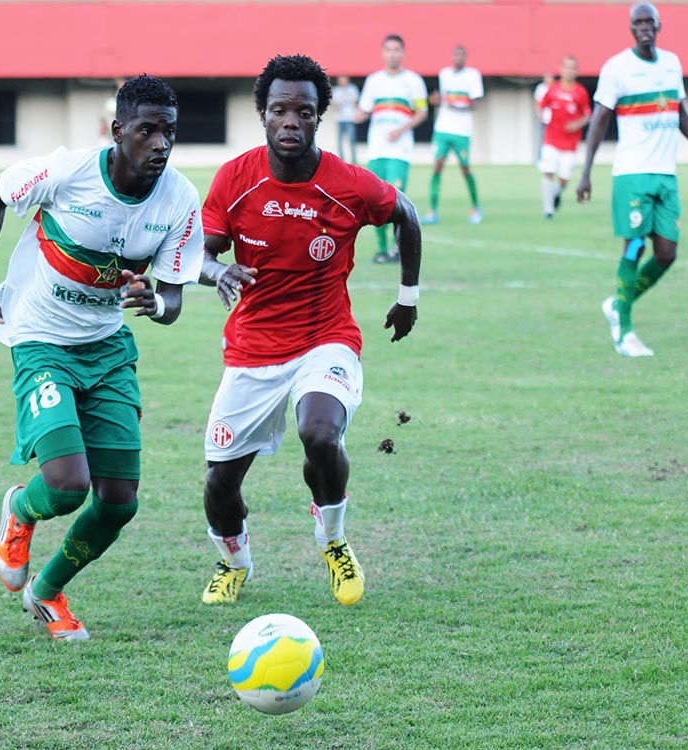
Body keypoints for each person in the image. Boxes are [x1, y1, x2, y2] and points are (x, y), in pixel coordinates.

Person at [0, 75, 204, 640]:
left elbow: (172, 299)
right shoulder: (70, 171)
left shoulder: (180, 199)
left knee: (119, 502)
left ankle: (46, 592)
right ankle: (21, 509)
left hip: (109, 350)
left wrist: (157, 303)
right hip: (41, 339)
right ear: (118, 132)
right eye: (147, 131)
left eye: (170, 132)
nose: (161, 144)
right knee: (68, 486)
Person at [195, 54, 423, 607]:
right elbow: (196, 254)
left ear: (320, 115)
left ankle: (333, 540)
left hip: (327, 338)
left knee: (320, 433)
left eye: (303, 111)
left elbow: (406, 215)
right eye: (279, 111)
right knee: (219, 484)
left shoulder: (348, 184)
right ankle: (234, 561)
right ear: (263, 115)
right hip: (252, 349)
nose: (290, 121)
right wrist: (217, 269)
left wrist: (407, 298)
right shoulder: (236, 179)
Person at [577, 2, 688, 357]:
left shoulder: (672, 63)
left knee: (667, 253)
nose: (644, 27)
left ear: (659, 25)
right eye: (638, 22)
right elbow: (599, 120)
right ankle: (624, 332)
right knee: (634, 246)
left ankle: (617, 303)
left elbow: (680, 113)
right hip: (632, 173)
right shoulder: (617, 68)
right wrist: (585, 173)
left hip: (666, 175)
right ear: (631, 29)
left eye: (649, 21)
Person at [355, 34, 428, 263]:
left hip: (400, 151)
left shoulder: (414, 81)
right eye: (389, 49)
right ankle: (382, 249)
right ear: (383, 52)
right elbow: (364, 110)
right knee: (375, 201)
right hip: (377, 150)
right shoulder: (373, 81)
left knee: (396, 199)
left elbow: (422, 112)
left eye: (397, 50)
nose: (393, 54)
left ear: (403, 53)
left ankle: (399, 249)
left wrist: (402, 130)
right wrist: (356, 115)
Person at [423, 45, 484, 225]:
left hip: (462, 130)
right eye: (456, 54)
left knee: (465, 168)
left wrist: (459, 106)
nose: (458, 58)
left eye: (461, 55)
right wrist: (436, 101)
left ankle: (475, 206)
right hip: (443, 128)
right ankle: (432, 210)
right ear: (452, 57)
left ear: (465, 57)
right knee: (437, 166)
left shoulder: (472, 75)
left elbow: (476, 102)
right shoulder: (444, 74)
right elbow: (439, 99)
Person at [537, 55, 591, 218]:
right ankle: (548, 210)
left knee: (564, 179)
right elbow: (541, 106)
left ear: (576, 71)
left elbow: (587, 115)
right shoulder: (553, 90)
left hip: (570, 143)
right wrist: (540, 115)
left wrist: (577, 124)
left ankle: (555, 193)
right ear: (561, 69)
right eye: (566, 67)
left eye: (572, 67)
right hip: (551, 140)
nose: (569, 70)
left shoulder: (580, 92)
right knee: (548, 171)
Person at [331, 75, 360, 164]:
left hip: (350, 118)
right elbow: (335, 104)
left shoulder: (352, 89)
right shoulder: (336, 90)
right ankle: (342, 160)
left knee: (352, 140)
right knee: (340, 141)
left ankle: (354, 160)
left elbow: (354, 102)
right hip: (340, 118)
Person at [533, 71, 555, 163]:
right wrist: (539, 114)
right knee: (543, 139)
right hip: (545, 119)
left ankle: (553, 159)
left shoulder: (556, 88)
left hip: (555, 120)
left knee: (554, 141)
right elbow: (537, 102)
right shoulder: (541, 88)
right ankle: (541, 159)